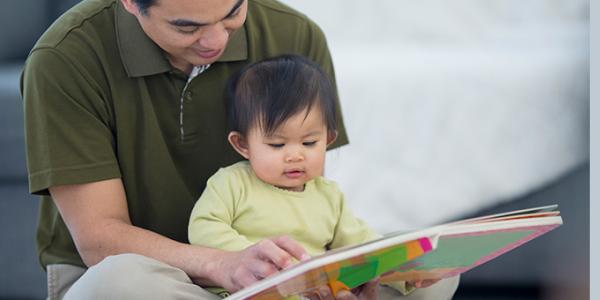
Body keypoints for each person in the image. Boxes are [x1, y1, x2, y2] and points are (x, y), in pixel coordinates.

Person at [21, 0, 458, 299]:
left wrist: (340, 273)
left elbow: (306, 196)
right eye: (186, 26)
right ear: (132, 3)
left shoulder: (294, 35)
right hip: (161, 282)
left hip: (282, 281)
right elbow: (100, 240)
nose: (216, 41)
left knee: (433, 271)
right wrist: (228, 265)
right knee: (116, 284)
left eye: (232, 13)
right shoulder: (66, 59)